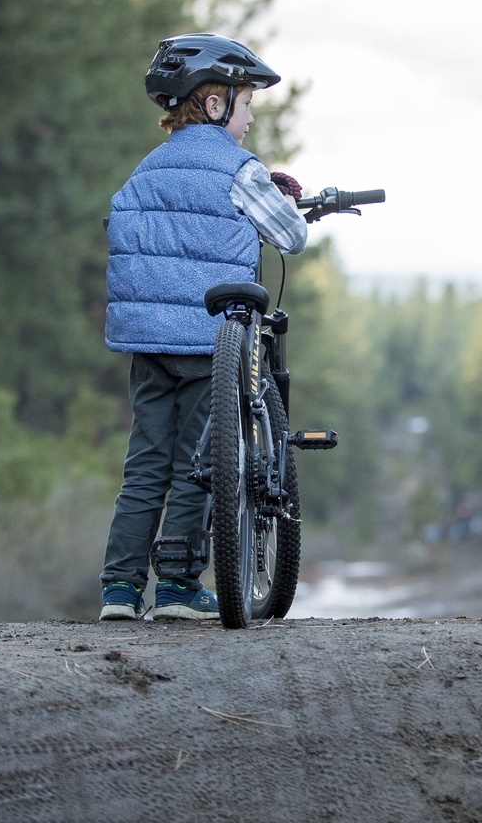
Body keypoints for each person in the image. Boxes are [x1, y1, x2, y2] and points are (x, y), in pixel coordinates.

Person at [97, 33, 312, 621]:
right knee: (202, 459)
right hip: (206, 341)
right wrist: (280, 196)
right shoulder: (239, 170)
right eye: (246, 108)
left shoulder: (144, 171)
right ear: (216, 106)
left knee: (145, 463)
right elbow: (292, 236)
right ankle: (176, 586)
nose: (248, 124)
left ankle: (118, 591)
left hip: (148, 343)